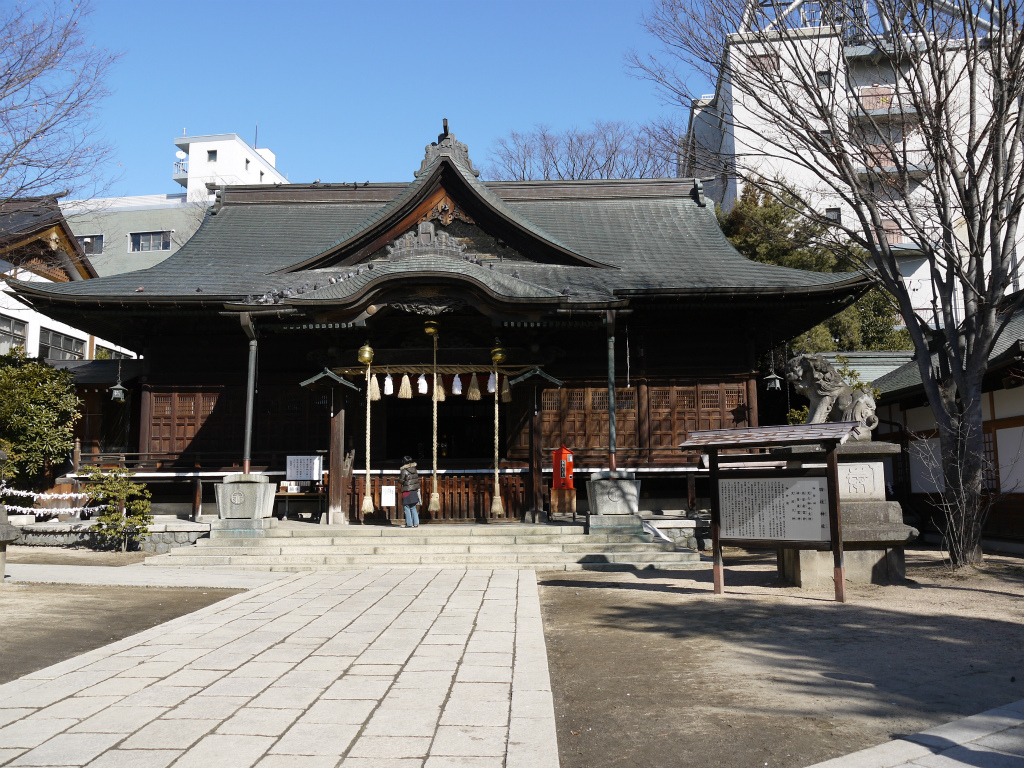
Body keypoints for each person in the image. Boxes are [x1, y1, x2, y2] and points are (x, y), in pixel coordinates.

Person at [398, 455, 421, 528]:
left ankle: (409, 523)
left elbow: (401, 481)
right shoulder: (415, 469)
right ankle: (416, 523)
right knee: (413, 507)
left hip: (407, 490)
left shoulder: (404, 470)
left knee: (406, 507)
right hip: (414, 490)